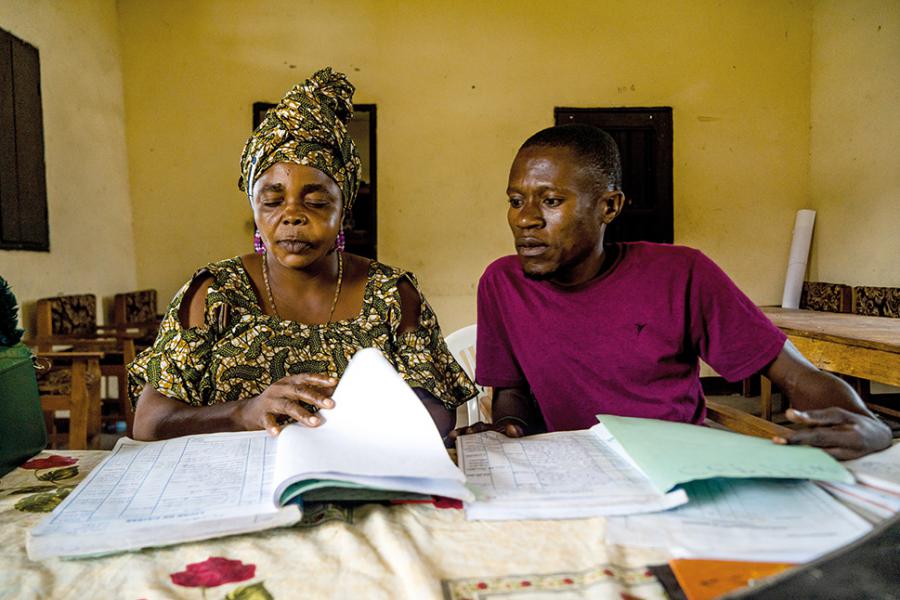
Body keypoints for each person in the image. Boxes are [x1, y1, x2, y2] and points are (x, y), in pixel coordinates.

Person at [454, 123, 890, 460]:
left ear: (609, 206)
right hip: (574, 471)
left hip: (676, 466)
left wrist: (872, 426)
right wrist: (508, 425)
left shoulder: (682, 274)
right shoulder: (502, 283)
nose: (525, 219)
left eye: (550, 201)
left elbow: (797, 376)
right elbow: (511, 391)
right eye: (516, 201)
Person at [130, 67, 475, 441]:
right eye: (272, 201)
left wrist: (367, 412)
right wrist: (243, 413)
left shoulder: (391, 293)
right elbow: (150, 423)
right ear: (254, 209)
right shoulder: (215, 293)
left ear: (344, 210)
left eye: (315, 202)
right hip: (232, 487)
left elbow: (437, 412)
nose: (292, 215)